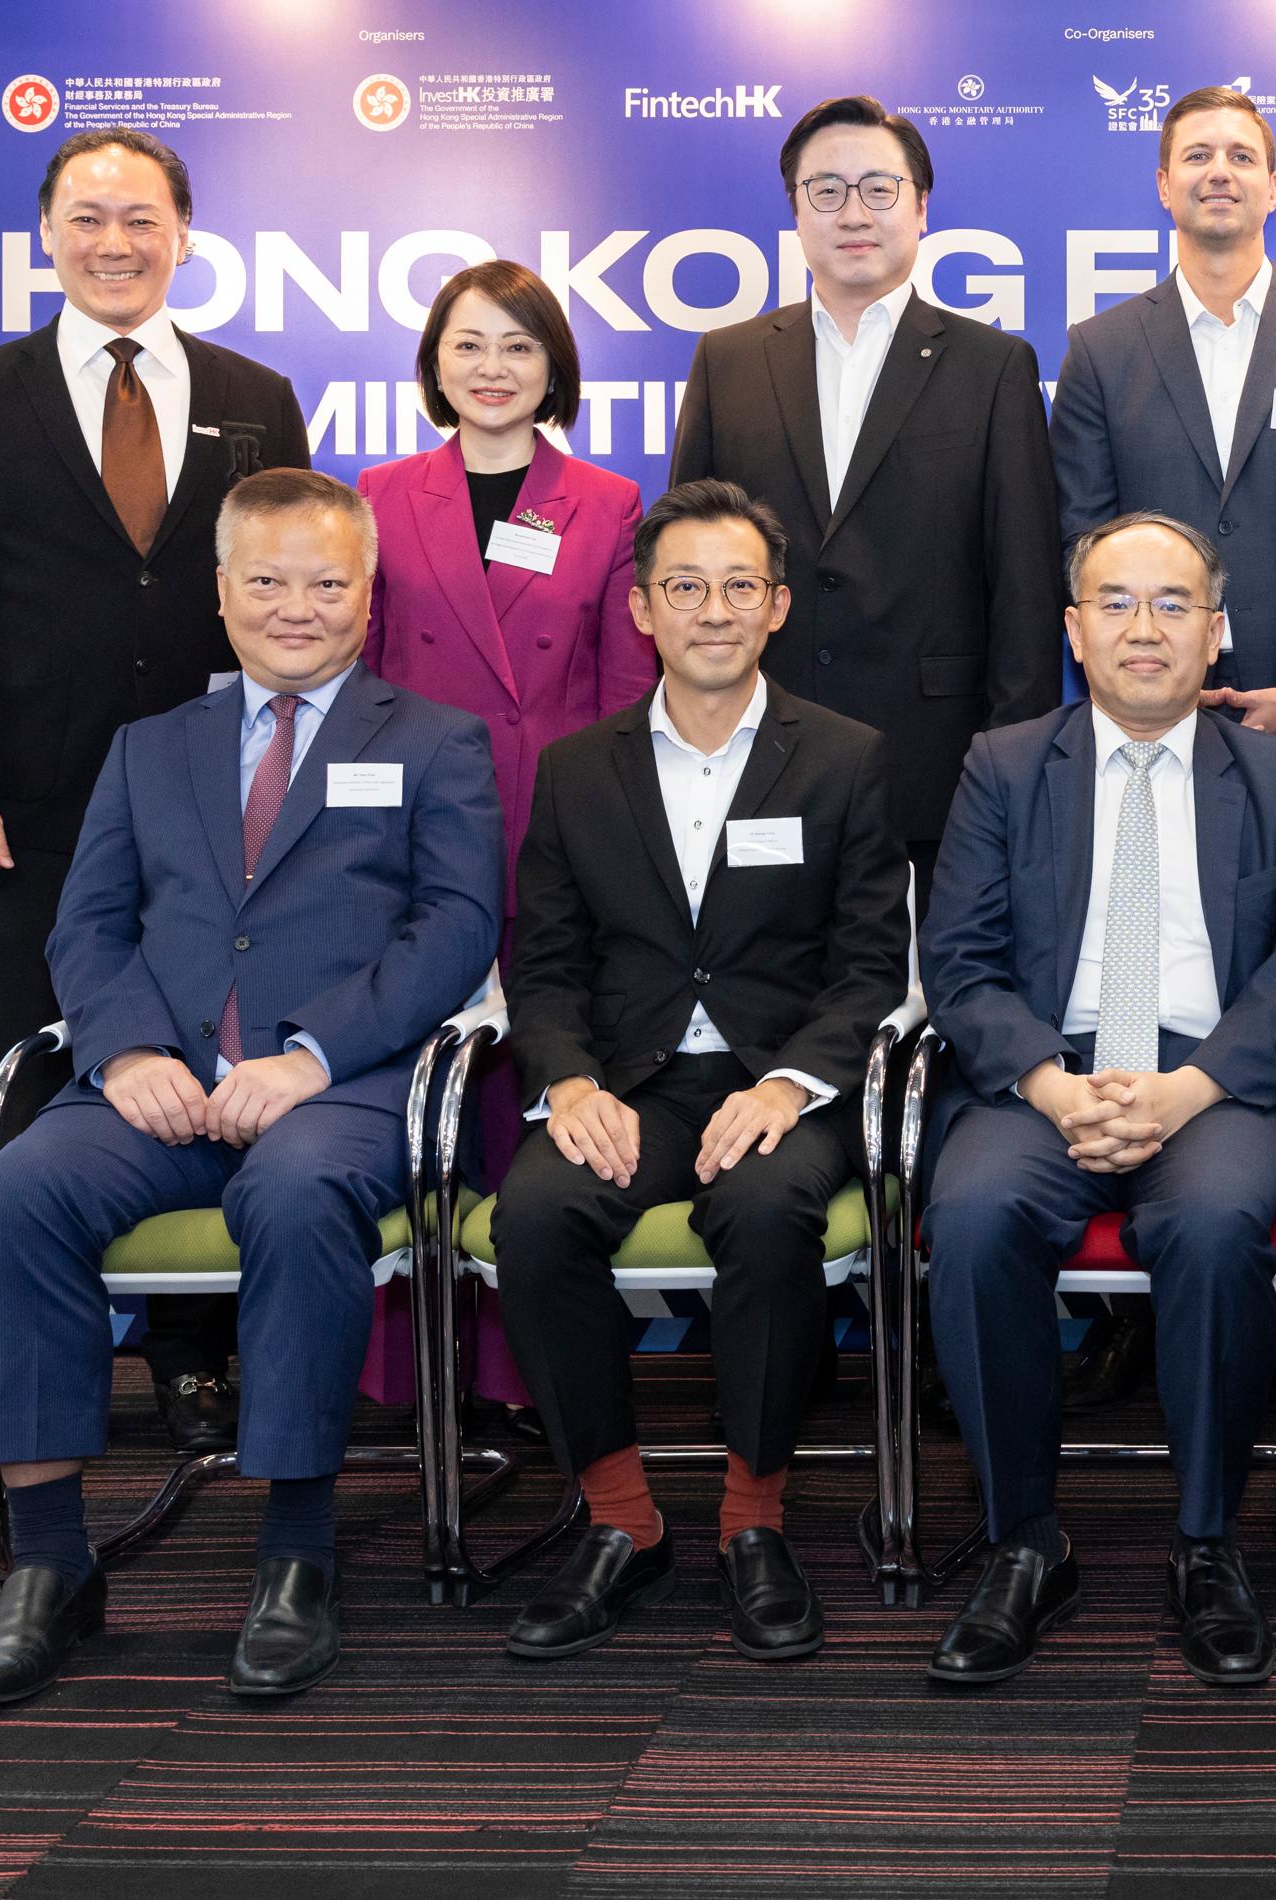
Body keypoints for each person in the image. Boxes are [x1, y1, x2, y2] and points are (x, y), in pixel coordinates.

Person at [0, 468, 502, 1711]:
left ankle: (296, 1557)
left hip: (339, 1089)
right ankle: (47, 1567)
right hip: (157, 1084)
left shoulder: (431, 740)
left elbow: (456, 930)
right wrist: (133, 1053)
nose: (294, 607)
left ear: (369, 594)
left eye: (324, 582)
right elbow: (85, 924)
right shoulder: (152, 748)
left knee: (300, 1206)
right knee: (23, 1191)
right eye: (266, 580)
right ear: (221, 592)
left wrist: (309, 1056)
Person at [0, 124, 310, 1459]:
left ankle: (201, 1362)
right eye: (87, 218)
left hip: (219, 802)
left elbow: (293, 595)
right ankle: (47, 1370)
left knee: (205, 1061)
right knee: (43, 1075)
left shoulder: (257, 393)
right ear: (46, 237)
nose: (115, 242)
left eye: (140, 218)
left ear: (184, 234)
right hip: (36, 802)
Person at [914, 512, 1276, 1690]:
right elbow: (956, 961)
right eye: (1115, 602)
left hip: (1214, 1079)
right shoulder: (1003, 765)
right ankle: (1025, 1540)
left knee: (1213, 1227)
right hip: (1042, 1074)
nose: (1143, 627)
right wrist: (1056, 1088)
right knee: (969, 1220)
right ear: (1073, 627)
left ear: (1217, 633)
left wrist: (1187, 1089)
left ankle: (1206, 1539)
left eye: (1173, 605)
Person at [490, 481, 912, 1664]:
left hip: (783, 1081)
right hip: (630, 1081)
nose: (711, 611)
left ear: (777, 606)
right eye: (684, 587)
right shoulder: (579, 769)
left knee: (766, 1210)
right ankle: (621, 1520)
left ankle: (752, 1520)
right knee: (535, 1216)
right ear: (640, 608)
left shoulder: (844, 760)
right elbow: (548, 962)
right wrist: (569, 1084)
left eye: (738, 587)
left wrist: (790, 1086)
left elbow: (872, 964)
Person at [360, 260, 653, 1409]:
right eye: (470, 345)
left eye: (518, 347)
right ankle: (408, 1371)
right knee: (417, 1085)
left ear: (554, 367)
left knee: (537, 1082)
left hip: (554, 831)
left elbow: (627, 691)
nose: (493, 370)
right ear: (435, 360)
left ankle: (533, 1372)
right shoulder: (379, 495)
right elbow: (358, 677)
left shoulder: (608, 501)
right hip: (414, 832)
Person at [1049, 83, 1276, 977]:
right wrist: (1154, 686)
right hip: (1145, 729)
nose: (1220, 173)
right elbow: (1084, 545)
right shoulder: (1100, 350)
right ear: (1164, 185)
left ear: (1273, 188)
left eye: (1242, 156)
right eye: (1199, 156)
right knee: (1167, 978)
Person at [670, 94, 1063, 886]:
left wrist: (1010, 772)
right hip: (759, 749)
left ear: (921, 208)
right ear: (795, 211)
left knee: (924, 997)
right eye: (827, 189)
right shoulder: (729, 360)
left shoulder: (994, 368)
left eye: (879, 189)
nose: (854, 211)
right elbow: (685, 565)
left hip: (935, 763)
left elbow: (1025, 591)